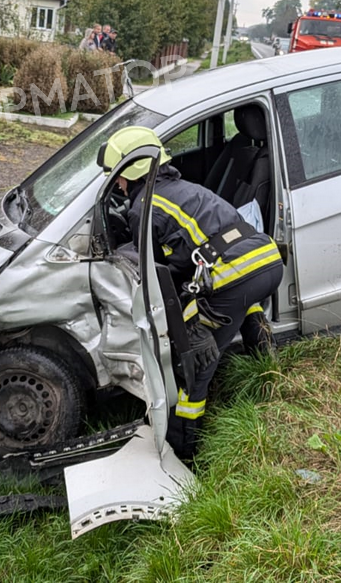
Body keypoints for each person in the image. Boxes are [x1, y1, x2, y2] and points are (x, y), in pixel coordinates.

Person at [98, 127, 284, 459]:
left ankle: (185, 447)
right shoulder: (182, 188)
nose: (118, 184)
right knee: (239, 303)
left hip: (236, 275)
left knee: (195, 360)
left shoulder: (143, 207)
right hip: (267, 262)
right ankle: (267, 372)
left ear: (128, 173)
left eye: (118, 177)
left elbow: (155, 275)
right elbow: (187, 253)